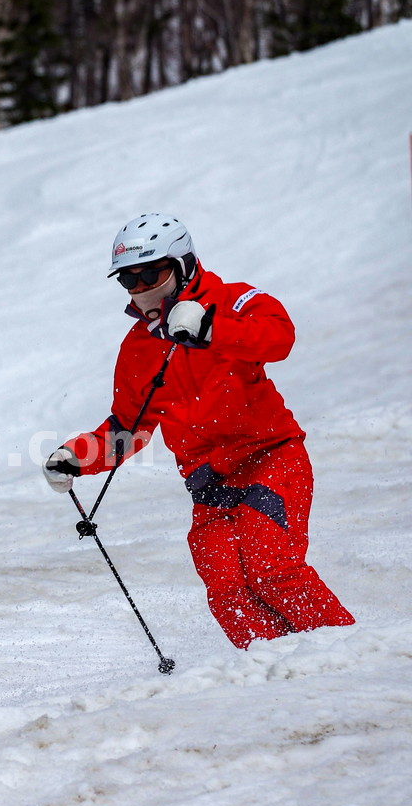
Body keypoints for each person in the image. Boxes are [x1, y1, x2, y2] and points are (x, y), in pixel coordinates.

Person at [43, 213, 353, 649]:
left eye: (152, 272)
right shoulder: (138, 347)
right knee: (226, 588)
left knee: (271, 569)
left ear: (183, 264)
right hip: (209, 481)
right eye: (128, 280)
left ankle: (349, 654)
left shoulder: (234, 300)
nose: (142, 287)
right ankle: (274, 672)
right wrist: (77, 456)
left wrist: (211, 329)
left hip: (270, 457)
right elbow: (130, 427)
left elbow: (279, 337)